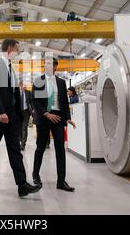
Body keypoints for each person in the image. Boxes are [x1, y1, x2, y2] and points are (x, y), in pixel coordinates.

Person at [0, 39, 42, 197]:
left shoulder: (11, 69)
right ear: (9, 49)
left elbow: (13, 94)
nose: (18, 52)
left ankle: (22, 185)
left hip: (12, 119)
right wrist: (1, 112)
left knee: (15, 151)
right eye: (17, 49)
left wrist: (17, 115)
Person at [32, 57, 76, 192]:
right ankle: (35, 175)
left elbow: (64, 102)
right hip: (45, 118)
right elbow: (35, 102)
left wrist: (67, 118)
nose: (48, 67)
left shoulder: (61, 83)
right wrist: (46, 113)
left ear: (56, 67)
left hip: (58, 118)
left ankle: (61, 181)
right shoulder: (38, 81)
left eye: (51, 65)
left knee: (60, 149)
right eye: (46, 64)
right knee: (40, 148)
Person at [19, 81, 33, 151]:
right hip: (18, 113)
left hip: (26, 112)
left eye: (25, 85)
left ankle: (23, 144)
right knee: (19, 128)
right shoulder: (17, 93)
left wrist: (33, 110)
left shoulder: (28, 92)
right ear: (20, 86)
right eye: (23, 85)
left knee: (24, 127)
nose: (24, 86)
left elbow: (31, 102)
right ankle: (21, 141)